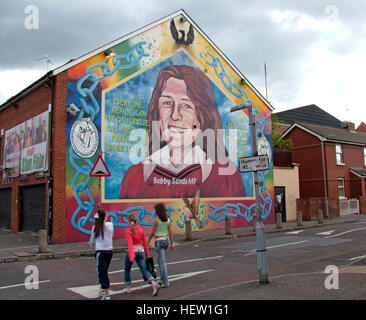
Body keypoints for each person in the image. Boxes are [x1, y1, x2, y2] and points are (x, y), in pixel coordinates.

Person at [119, 64, 246, 199]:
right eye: (167, 103)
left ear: (203, 116)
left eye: (186, 106)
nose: (175, 115)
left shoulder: (226, 176)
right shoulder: (135, 177)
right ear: (157, 111)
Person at [124, 214, 160, 296]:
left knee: (127, 269)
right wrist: (147, 254)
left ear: (129, 222)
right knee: (144, 270)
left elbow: (130, 244)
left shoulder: (128, 231)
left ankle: (128, 287)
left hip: (133, 251)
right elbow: (145, 243)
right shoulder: (140, 230)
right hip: (141, 251)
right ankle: (153, 283)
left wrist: (132, 255)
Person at [89, 208, 114, 300]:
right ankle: (103, 289)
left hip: (100, 252)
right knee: (105, 270)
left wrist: (92, 246)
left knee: (101, 272)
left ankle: (106, 294)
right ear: (104, 217)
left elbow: (92, 241)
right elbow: (111, 236)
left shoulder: (95, 227)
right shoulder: (110, 225)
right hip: (109, 251)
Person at [148, 203, 174, 288]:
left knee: (162, 262)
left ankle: (166, 282)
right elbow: (170, 232)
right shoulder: (168, 219)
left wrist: (148, 241)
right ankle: (162, 280)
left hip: (159, 241)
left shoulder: (156, 220)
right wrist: (172, 243)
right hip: (166, 240)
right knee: (160, 261)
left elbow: (152, 232)